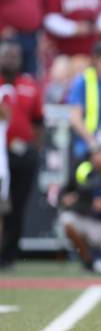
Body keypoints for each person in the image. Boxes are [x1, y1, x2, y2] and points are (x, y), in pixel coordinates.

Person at [0, 40, 43, 269]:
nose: (10, 59)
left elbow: (39, 122)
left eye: (15, 55)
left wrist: (34, 149)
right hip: (0, 154)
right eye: (6, 55)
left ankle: (9, 256)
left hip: (22, 154)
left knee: (17, 206)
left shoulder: (29, 84)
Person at [0, 0, 45, 76]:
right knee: (8, 75)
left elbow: (41, 4)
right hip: (10, 37)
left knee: (30, 76)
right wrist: (2, 28)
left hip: (32, 36)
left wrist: (42, 33)